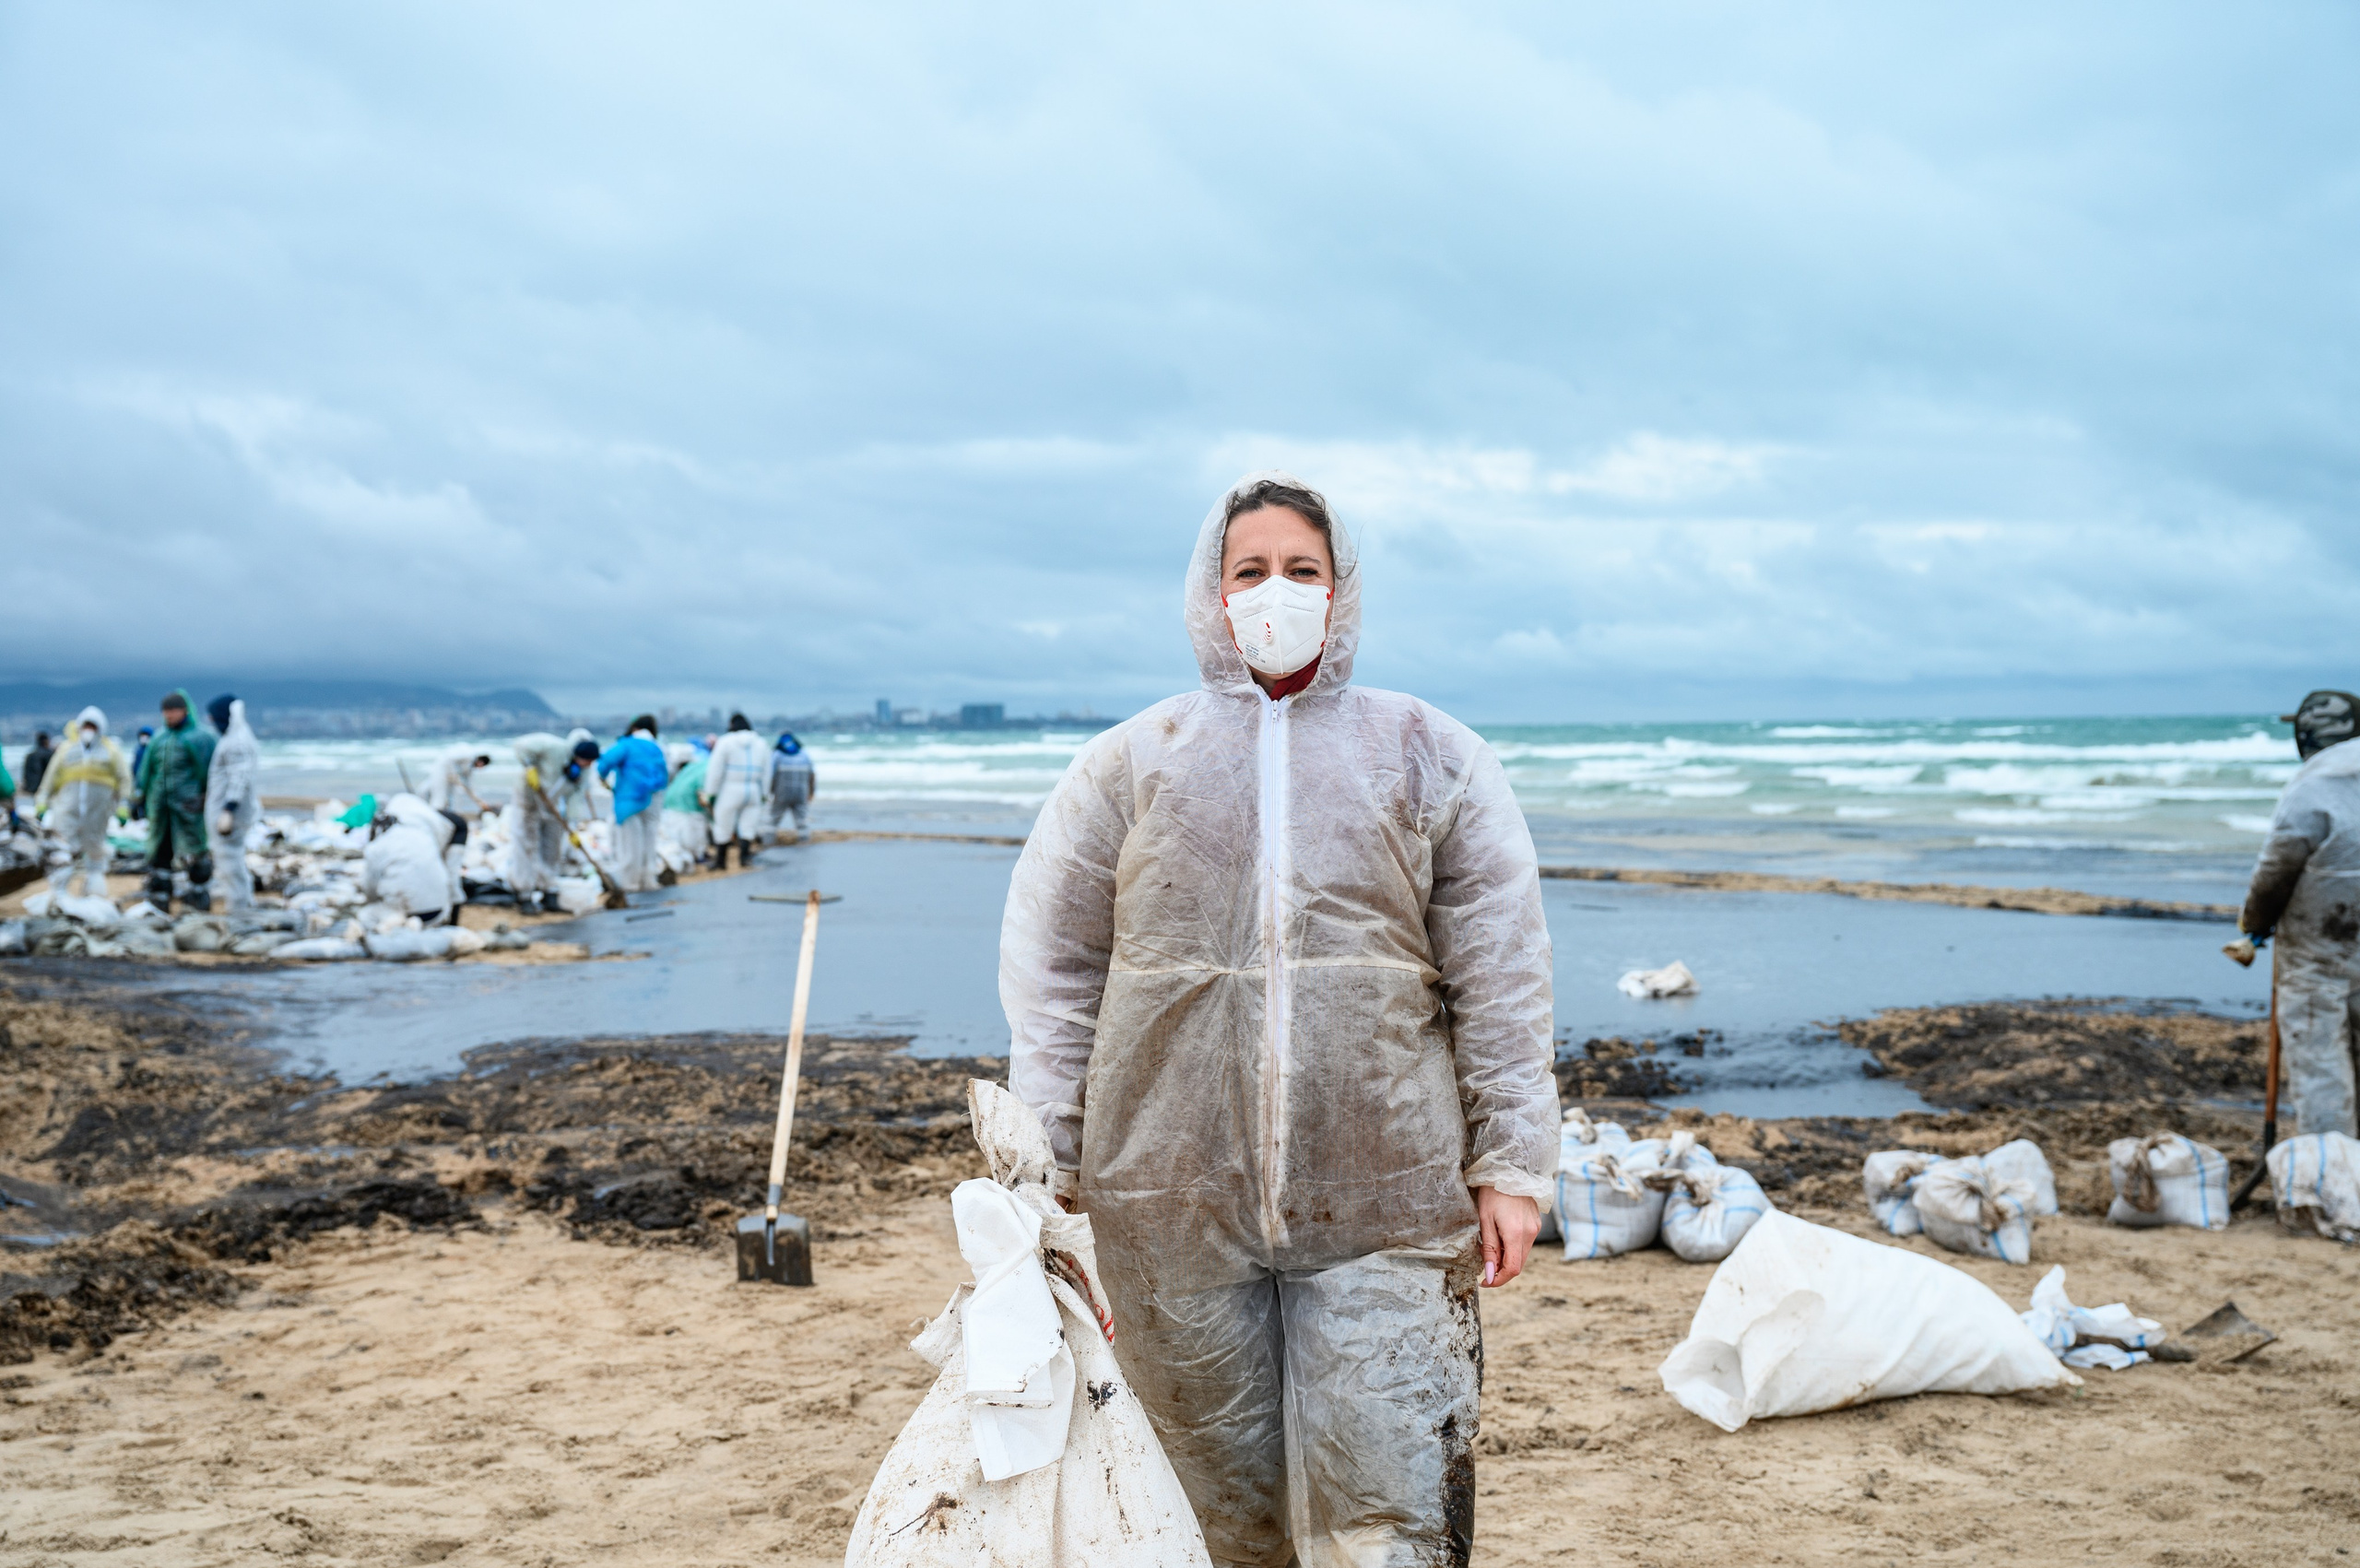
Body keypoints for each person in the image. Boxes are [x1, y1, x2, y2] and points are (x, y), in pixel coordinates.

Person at [1001, 473, 1555, 1566]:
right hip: (1166, 1195)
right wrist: (1050, 1153)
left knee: (1391, 1502)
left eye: (1302, 570)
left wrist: (1512, 1163)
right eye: (1249, 571)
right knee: (1205, 1502)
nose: (1275, 593)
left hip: (1388, 1197)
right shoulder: (1131, 764)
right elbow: (1057, 970)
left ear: (1341, 590)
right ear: (1210, 594)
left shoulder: (1428, 754)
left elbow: (1499, 971)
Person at [2241, 689, 2360, 1138]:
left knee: (2323, 1073)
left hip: (2318, 955)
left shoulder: (2312, 785)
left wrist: (2254, 925)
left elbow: (2279, 865)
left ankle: (2335, 1189)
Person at [35, 708, 133, 896]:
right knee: (62, 849)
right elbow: (50, 778)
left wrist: (123, 807)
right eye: (86, 725)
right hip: (67, 810)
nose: (89, 730)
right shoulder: (67, 749)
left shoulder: (111, 751)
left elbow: (124, 779)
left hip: (97, 812)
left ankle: (94, 893)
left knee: (95, 849)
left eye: (92, 726)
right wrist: (41, 801)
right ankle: (59, 893)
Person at [136, 690, 217, 912]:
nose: (169, 715)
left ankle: (198, 897)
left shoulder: (201, 738)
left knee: (195, 850)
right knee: (161, 851)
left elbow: (211, 771)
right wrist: (138, 799)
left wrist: (207, 798)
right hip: (161, 808)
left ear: (185, 711)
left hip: (189, 807)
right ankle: (160, 897)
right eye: (166, 711)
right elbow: (147, 772)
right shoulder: (159, 739)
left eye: (173, 710)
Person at [506, 732, 598, 914]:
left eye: (590, 762)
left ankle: (549, 891)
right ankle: (524, 894)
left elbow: (575, 797)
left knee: (552, 849)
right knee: (527, 846)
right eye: (585, 760)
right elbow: (520, 746)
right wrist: (530, 767)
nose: (587, 764)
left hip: (553, 808)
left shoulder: (583, 772)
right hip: (529, 802)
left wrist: (571, 827)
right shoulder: (553, 747)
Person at [597, 716, 670, 892]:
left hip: (630, 799)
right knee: (650, 840)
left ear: (635, 728)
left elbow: (604, 763)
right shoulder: (658, 746)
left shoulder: (626, 744)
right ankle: (649, 880)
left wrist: (603, 780)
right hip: (654, 798)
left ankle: (630, 883)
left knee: (630, 843)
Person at [204, 695, 262, 914]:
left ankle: (238, 908)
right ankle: (241, 903)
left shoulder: (237, 742)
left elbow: (239, 778)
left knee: (230, 861)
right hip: (228, 812)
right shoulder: (235, 737)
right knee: (231, 860)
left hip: (230, 815)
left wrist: (228, 810)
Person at [363, 795, 459, 923]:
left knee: (366, 916)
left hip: (406, 913)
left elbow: (371, 884)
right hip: (437, 912)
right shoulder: (426, 837)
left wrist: (372, 900)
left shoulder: (381, 843)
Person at [702, 713, 769, 870]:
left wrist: (710, 792)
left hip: (730, 787)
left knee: (723, 824)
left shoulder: (725, 741)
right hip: (753, 789)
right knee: (748, 825)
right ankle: (744, 858)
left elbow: (715, 770)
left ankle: (721, 862)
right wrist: (765, 793)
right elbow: (767, 772)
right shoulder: (761, 743)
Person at [660, 743, 713, 871]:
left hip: (672, 800)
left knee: (680, 833)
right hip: (687, 804)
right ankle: (697, 855)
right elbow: (704, 792)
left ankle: (693, 854)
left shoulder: (694, 767)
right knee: (695, 831)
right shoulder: (707, 768)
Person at [769, 731, 816, 843]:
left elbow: (770, 775)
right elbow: (812, 775)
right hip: (801, 791)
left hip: (782, 792)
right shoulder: (804, 754)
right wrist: (811, 792)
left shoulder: (777, 754)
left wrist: (770, 792)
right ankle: (804, 842)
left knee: (773, 820)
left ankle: (768, 842)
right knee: (802, 821)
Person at [424, 746, 494, 815]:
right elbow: (449, 757)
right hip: (441, 772)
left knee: (451, 799)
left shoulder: (469, 769)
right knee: (439, 797)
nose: (480, 768)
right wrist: (454, 773)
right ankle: (434, 815)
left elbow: (469, 786)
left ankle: (448, 815)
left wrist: (480, 801)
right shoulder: (468, 755)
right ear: (481, 762)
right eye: (482, 766)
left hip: (450, 777)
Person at [127, 726, 154, 819]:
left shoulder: (152, 750)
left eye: (146, 735)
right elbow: (134, 767)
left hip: (150, 784)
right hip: (138, 783)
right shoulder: (137, 750)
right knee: (136, 804)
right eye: (142, 735)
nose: (144, 738)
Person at [19, 730, 54, 799]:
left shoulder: (30, 755)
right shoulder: (50, 754)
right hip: (45, 787)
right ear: (46, 741)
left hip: (31, 788)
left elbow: (25, 773)